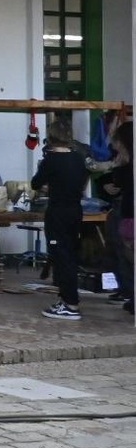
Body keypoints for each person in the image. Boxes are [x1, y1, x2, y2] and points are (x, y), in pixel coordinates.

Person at [33, 120, 89, 320]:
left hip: (58, 213)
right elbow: (79, 183)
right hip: (75, 211)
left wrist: (49, 186)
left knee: (61, 256)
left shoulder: (51, 159)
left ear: (51, 137)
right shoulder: (79, 158)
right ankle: (66, 300)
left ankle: (71, 304)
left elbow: (35, 183)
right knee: (71, 254)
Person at [100, 122, 133, 311]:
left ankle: (130, 292)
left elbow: (121, 180)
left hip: (128, 214)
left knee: (127, 255)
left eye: (117, 141)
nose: (114, 145)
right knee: (122, 253)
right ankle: (127, 291)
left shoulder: (127, 165)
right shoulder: (123, 161)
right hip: (124, 212)